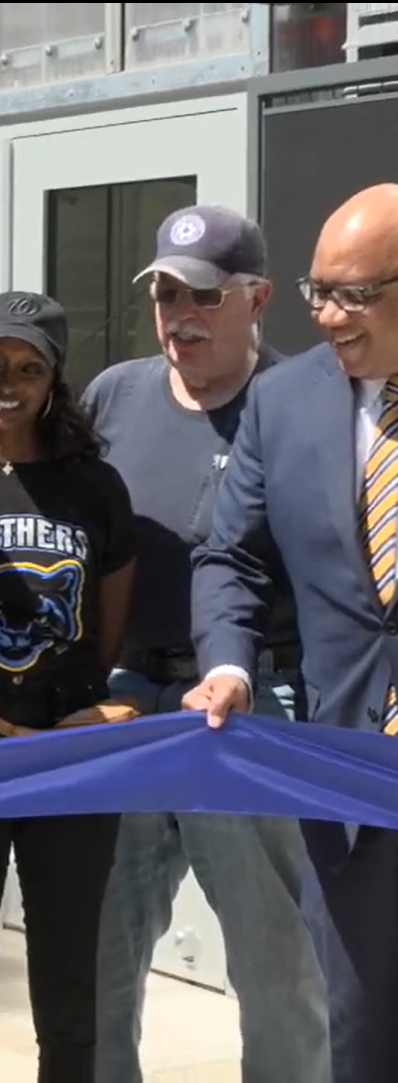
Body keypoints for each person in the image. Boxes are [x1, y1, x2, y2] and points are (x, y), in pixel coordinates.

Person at [83, 205, 328, 1083]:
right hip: (129, 705)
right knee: (96, 956)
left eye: (204, 297)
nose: (180, 316)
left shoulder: (303, 404)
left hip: (251, 710)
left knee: (277, 967)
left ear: (257, 298)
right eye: (165, 296)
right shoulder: (114, 396)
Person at [189, 182, 398, 1082]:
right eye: (319, 291)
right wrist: (230, 665)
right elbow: (229, 555)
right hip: (349, 789)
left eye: (355, 295)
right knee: (360, 1041)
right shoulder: (283, 403)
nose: (327, 315)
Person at [0, 291, 138, 1083]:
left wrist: (89, 701)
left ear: (54, 381)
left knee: (68, 995)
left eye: (28, 367)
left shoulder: (96, 487)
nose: (7, 383)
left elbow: (108, 626)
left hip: (70, 760)